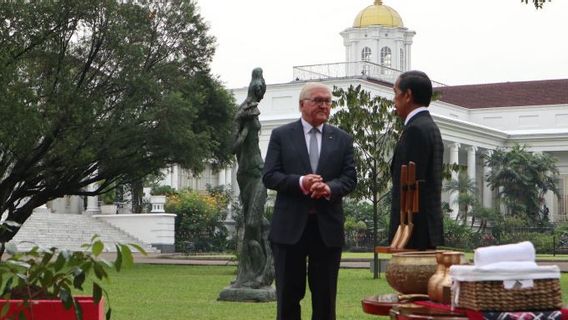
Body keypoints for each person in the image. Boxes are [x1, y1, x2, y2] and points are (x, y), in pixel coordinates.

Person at [263, 82, 357, 320]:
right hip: (289, 230)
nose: (324, 105)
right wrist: (301, 182)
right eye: (318, 100)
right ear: (301, 104)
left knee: (325, 299)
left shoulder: (343, 139)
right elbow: (270, 176)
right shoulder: (281, 136)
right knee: (288, 297)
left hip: (326, 229)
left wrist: (329, 188)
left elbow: (349, 179)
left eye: (327, 101)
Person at [389, 70, 444, 251]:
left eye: (395, 93)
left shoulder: (415, 130)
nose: (393, 100)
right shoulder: (430, 127)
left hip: (414, 231)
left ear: (408, 96)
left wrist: (403, 229)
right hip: (427, 228)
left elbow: (410, 186)